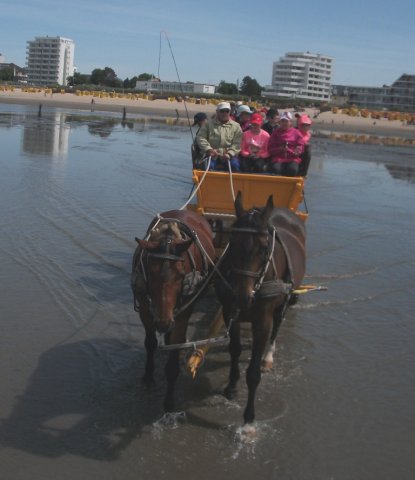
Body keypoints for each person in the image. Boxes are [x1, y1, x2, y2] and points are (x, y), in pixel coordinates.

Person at [195, 102, 243, 172]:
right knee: (208, 167)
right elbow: (200, 138)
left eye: (227, 111)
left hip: (228, 156)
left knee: (235, 166)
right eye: (222, 111)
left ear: (230, 112)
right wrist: (209, 149)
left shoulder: (236, 126)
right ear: (217, 112)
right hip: (212, 155)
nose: (225, 113)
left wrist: (230, 154)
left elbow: (237, 143)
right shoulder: (207, 125)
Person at [268, 112, 305, 176]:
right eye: (282, 121)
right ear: (280, 122)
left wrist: (297, 151)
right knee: (276, 169)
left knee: (292, 169)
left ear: (290, 122)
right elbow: (270, 148)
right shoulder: (275, 133)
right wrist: (280, 149)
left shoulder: (297, 133)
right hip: (278, 158)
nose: (284, 123)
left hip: (292, 158)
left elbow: (300, 146)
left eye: (286, 121)